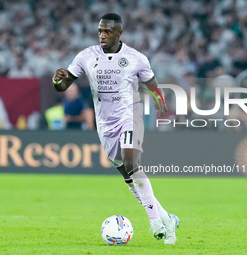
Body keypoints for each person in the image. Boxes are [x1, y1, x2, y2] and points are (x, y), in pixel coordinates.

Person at [52, 13, 179, 244]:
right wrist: (56, 80)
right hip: (105, 123)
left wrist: (160, 101)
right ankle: (167, 218)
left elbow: (152, 85)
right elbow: (63, 85)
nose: (102, 35)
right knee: (127, 176)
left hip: (129, 115)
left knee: (132, 163)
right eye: (100, 31)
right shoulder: (86, 56)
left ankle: (155, 223)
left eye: (108, 31)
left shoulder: (136, 58)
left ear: (119, 33)